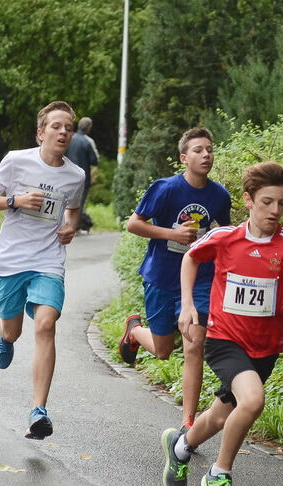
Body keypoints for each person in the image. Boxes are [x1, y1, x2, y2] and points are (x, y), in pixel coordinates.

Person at [159, 161, 283, 486]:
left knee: (223, 415)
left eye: (282, 203)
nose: (275, 210)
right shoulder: (226, 238)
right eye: (267, 202)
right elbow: (190, 257)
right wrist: (188, 305)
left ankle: (181, 446)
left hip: (264, 350)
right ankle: (219, 474)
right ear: (248, 200)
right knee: (252, 401)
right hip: (223, 340)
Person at [0, 100, 85, 439]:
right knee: (13, 332)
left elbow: (74, 211)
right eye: (56, 126)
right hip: (11, 260)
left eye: (68, 127)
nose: (63, 131)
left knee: (46, 325)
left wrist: (71, 227)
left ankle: (39, 410)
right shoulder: (16, 161)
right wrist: (16, 200)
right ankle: (4, 336)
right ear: (41, 133)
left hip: (48, 261)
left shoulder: (75, 175)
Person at [117, 128, 231, 430]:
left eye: (209, 149)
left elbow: (224, 234)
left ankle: (188, 424)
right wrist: (172, 234)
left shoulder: (219, 195)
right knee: (163, 350)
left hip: (199, 280)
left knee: (194, 343)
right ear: (184, 157)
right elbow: (134, 224)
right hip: (162, 276)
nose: (205, 154)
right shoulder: (165, 188)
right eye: (197, 150)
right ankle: (134, 331)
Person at [65, 117, 99, 231]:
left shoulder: (68, 137)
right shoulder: (88, 141)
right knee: (78, 202)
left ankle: (63, 223)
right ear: (89, 128)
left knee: (64, 200)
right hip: (82, 178)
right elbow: (94, 160)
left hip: (66, 175)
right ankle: (75, 227)